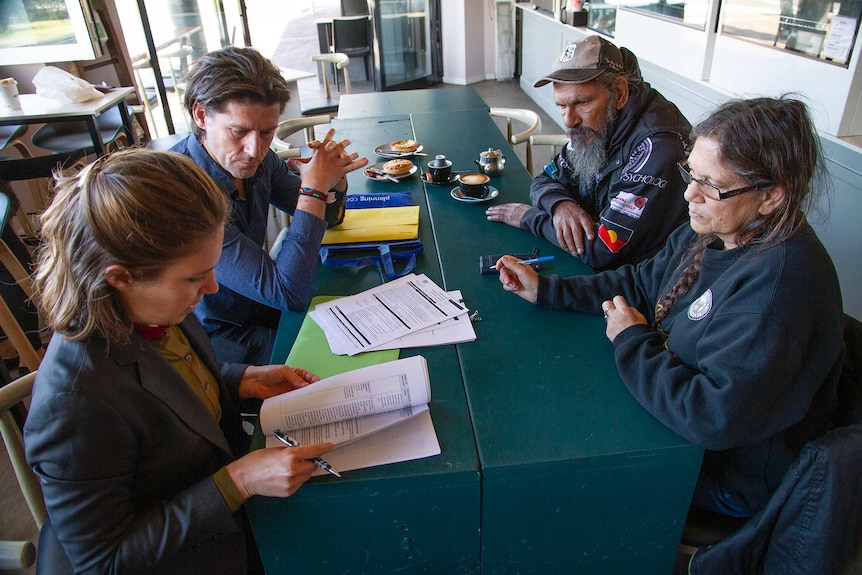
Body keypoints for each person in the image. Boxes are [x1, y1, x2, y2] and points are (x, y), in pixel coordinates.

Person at [494, 97, 844, 518]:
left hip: (723, 475)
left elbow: (710, 417)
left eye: (710, 184)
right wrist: (548, 291)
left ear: (770, 196)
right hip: (679, 423)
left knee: (553, 475)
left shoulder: (777, 293)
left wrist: (631, 340)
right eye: (690, 174)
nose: (689, 194)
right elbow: (640, 281)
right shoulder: (719, 226)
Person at [25, 150, 334, 574]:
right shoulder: (72, 403)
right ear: (121, 277)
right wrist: (237, 481)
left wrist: (239, 379)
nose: (210, 288)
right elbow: (103, 560)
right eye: (193, 277)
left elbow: (163, 389)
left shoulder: (148, 310)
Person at [171, 46, 368, 364]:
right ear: (201, 115)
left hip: (260, 308)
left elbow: (328, 217)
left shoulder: (261, 162)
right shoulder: (185, 195)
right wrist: (314, 190)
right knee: (347, 359)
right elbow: (287, 293)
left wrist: (335, 178)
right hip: (219, 340)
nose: (254, 149)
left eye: (267, 132)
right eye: (239, 131)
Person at [486, 36, 691, 271]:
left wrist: (529, 218)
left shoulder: (657, 147)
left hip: (641, 282)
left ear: (620, 93)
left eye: (582, 102)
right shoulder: (592, 129)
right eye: (562, 106)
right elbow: (546, 178)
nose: (569, 120)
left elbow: (604, 248)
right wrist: (560, 205)